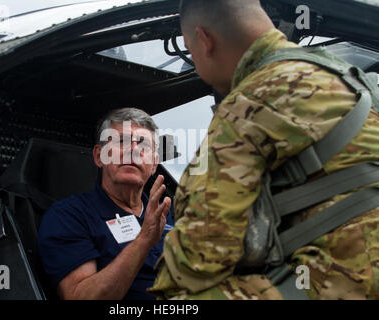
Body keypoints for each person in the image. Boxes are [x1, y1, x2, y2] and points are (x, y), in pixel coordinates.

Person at [149, 0, 379, 299]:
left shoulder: (248, 104)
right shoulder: (351, 78)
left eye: (190, 52)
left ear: (204, 40)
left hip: (341, 283)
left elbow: (198, 261)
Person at [37, 108, 173, 300]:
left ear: (153, 165)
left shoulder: (170, 211)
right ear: (99, 156)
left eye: (143, 145)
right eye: (121, 142)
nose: (133, 150)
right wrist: (144, 240)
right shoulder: (69, 215)